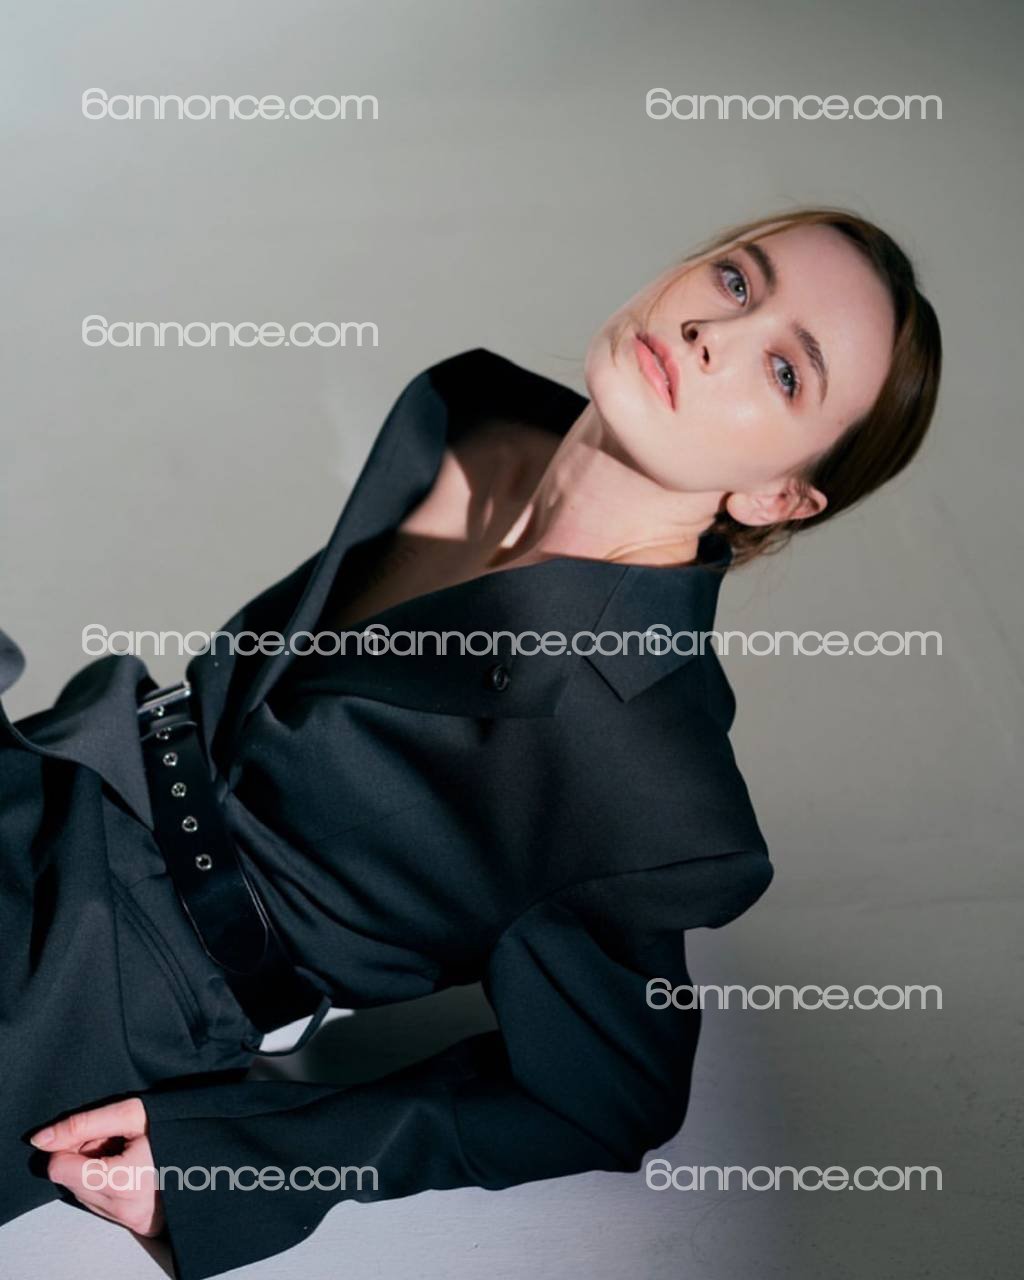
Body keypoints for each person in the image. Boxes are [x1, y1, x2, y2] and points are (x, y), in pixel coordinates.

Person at [4, 206, 941, 1280]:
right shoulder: (478, 419)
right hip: (64, 764)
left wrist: (242, 1164)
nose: (711, 333)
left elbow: (604, 1100)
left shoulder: (645, 772)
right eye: (736, 281)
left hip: (99, 982)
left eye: (783, 371)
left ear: (778, 493)